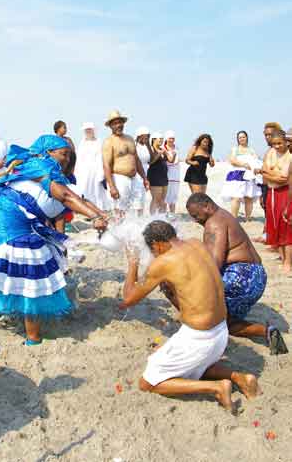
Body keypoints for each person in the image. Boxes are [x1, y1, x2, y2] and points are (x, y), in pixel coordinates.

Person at [0, 135, 107, 345]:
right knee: (31, 268)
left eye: (70, 156)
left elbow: (78, 199)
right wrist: (96, 217)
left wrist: (103, 215)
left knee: (4, 266)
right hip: (3, 221)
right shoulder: (40, 166)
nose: (67, 159)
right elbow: (65, 197)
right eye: (63, 154)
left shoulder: (55, 176)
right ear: (48, 152)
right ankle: (33, 337)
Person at [120, 220, 260, 410]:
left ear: (157, 244)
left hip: (200, 339)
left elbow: (128, 298)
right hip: (220, 332)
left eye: (152, 251)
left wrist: (133, 263)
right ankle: (239, 377)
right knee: (192, 367)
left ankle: (217, 387)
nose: (154, 255)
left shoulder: (164, 261)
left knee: (147, 383)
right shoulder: (196, 243)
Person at [186, 193, 288, 354]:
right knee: (228, 322)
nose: (195, 220)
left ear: (207, 206)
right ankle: (267, 331)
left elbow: (214, 264)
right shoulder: (224, 215)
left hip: (240, 277)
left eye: (196, 215)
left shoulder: (213, 223)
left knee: (201, 304)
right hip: (258, 277)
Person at [102, 110, 149, 215]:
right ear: (110, 126)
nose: (118, 125)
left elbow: (136, 160)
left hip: (135, 178)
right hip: (119, 178)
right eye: (115, 123)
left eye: (120, 122)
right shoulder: (109, 141)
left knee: (138, 207)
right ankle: (119, 230)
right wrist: (112, 187)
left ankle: (136, 229)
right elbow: (106, 166)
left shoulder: (130, 139)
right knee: (120, 209)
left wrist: (145, 178)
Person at [262, 129, 292, 272]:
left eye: (280, 143)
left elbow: (285, 178)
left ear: (286, 142)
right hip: (272, 192)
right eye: (274, 144)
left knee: (285, 225)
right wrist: (272, 174)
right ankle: (282, 257)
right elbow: (265, 171)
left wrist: (269, 173)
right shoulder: (270, 153)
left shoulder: (290, 156)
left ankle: (288, 261)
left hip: (285, 193)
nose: (277, 146)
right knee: (275, 226)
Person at [221, 131, 261, 221]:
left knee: (249, 197)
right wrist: (243, 164)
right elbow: (232, 160)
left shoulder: (251, 150)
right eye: (240, 137)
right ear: (237, 139)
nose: (242, 139)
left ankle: (248, 218)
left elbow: (256, 160)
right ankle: (234, 219)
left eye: (243, 137)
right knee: (236, 197)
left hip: (250, 175)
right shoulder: (235, 149)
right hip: (237, 174)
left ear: (247, 138)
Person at [75, 122, 108, 210]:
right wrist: (77, 172)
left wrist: (102, 173)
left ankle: (99, 211)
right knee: (84, 190)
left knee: (97, 191)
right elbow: (79, 159)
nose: (88, 131)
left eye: (90, 129)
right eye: (86, 130)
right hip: (84, 173)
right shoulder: (82, 143)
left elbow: (102, 158)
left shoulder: (99, 142)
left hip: (96, 171)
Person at [147, 133, 174, 214]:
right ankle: (152, 217)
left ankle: (161, 217)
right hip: (154, 177)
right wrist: (159, 153)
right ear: (154, 139)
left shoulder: (162, 149)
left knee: (163, 200)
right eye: (160, 139)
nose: (161, 141)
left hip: (164, 177)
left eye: (162, 139)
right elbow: (151, 162)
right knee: (156, 199)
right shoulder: (151, 149)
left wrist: (171, 153)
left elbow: (170, 160)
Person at [133, 127, 152, 216]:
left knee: (143, 197)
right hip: (136, 174)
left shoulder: (146, 146)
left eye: (147, 137)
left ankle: (140, 217)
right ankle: (135, 217)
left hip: (146, 172)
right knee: (137, 196)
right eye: (144, 137)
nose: (146, 139)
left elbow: (151, 159)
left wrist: (148, 145)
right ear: (139, 136)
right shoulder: (135, 145)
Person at [164, 130, 180, 214]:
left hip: (176, 177)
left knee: (173, 197)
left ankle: (172, 214)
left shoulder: (176, 148)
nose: (171, 140)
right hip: (166, 176)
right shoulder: (163, 148)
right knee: (165, 197)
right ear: (166, 138)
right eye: (170, 138)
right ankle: (164, 214)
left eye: (173, 138)